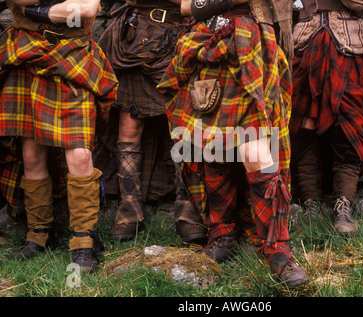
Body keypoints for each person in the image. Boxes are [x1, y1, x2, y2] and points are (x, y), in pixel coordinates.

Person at [158, 0, 308, 287]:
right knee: (211, 147)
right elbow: (188, 6)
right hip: (205, 41)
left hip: (251, 43)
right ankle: (222, 233)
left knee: (256, 149)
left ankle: (278, 249)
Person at [0, 0, 118, 272]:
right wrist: (56, 8)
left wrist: (35, 11)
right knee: (31, 153)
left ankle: (85, 241)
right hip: (27, 52)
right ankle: (39, 234)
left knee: (80, 153)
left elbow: (86, 10)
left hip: (73, 56)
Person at [92, 0, 207, 243]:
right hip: (138, 36)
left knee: (184, 124)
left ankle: (187, 206)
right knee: (130, 123)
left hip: (185, 37)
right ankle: (129, 207)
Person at [290, 0, 363, 235]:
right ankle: (311, 204)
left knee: (349, 126)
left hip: (352, 44)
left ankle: (343, 205)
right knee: (304, 126)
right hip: (303, 42)